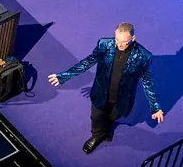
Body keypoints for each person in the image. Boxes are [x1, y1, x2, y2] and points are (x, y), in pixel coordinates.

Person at [47, 21, 165, 152]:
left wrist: (155, 107)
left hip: (122, 97)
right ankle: (97, 136)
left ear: (133, 39)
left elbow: (147, 82)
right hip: (100, 92)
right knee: (96, 117)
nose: (119, 45)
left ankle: (104, 130)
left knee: (113, 116)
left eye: (124, 42)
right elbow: (87, 62)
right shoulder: (104, 44)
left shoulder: (144, 56)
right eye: (117, 40)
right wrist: (64, 76)